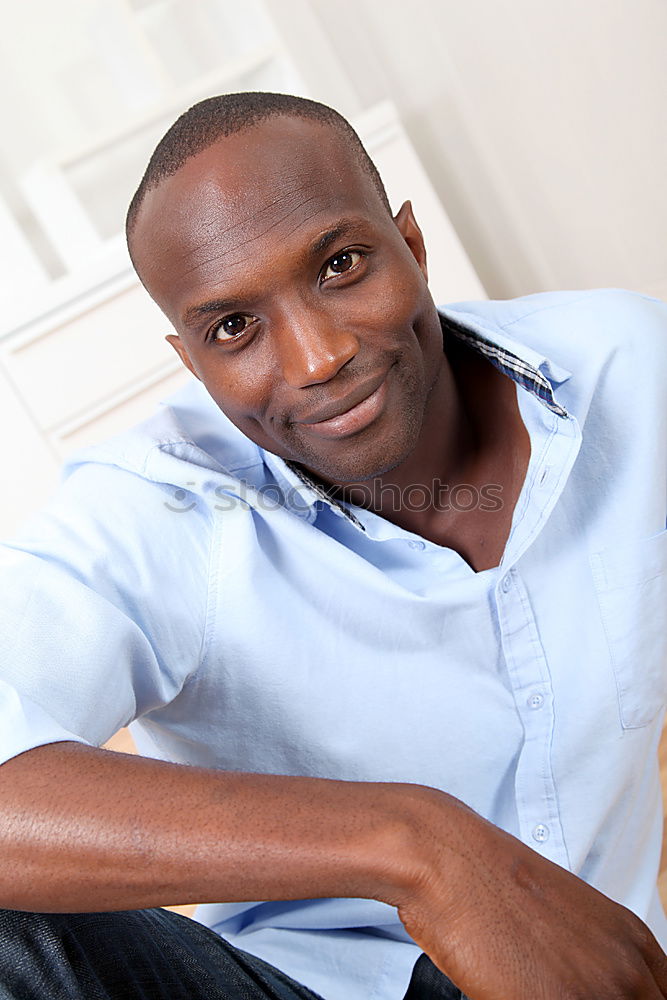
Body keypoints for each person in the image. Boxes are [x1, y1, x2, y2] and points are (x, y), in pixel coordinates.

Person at [0, 91, 666, 1000]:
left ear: (413, 246)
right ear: (192, 363)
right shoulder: (157, 509)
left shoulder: (626, 372)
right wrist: (418, 848)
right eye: (233, 327)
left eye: (341, 265)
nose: (315, 358)